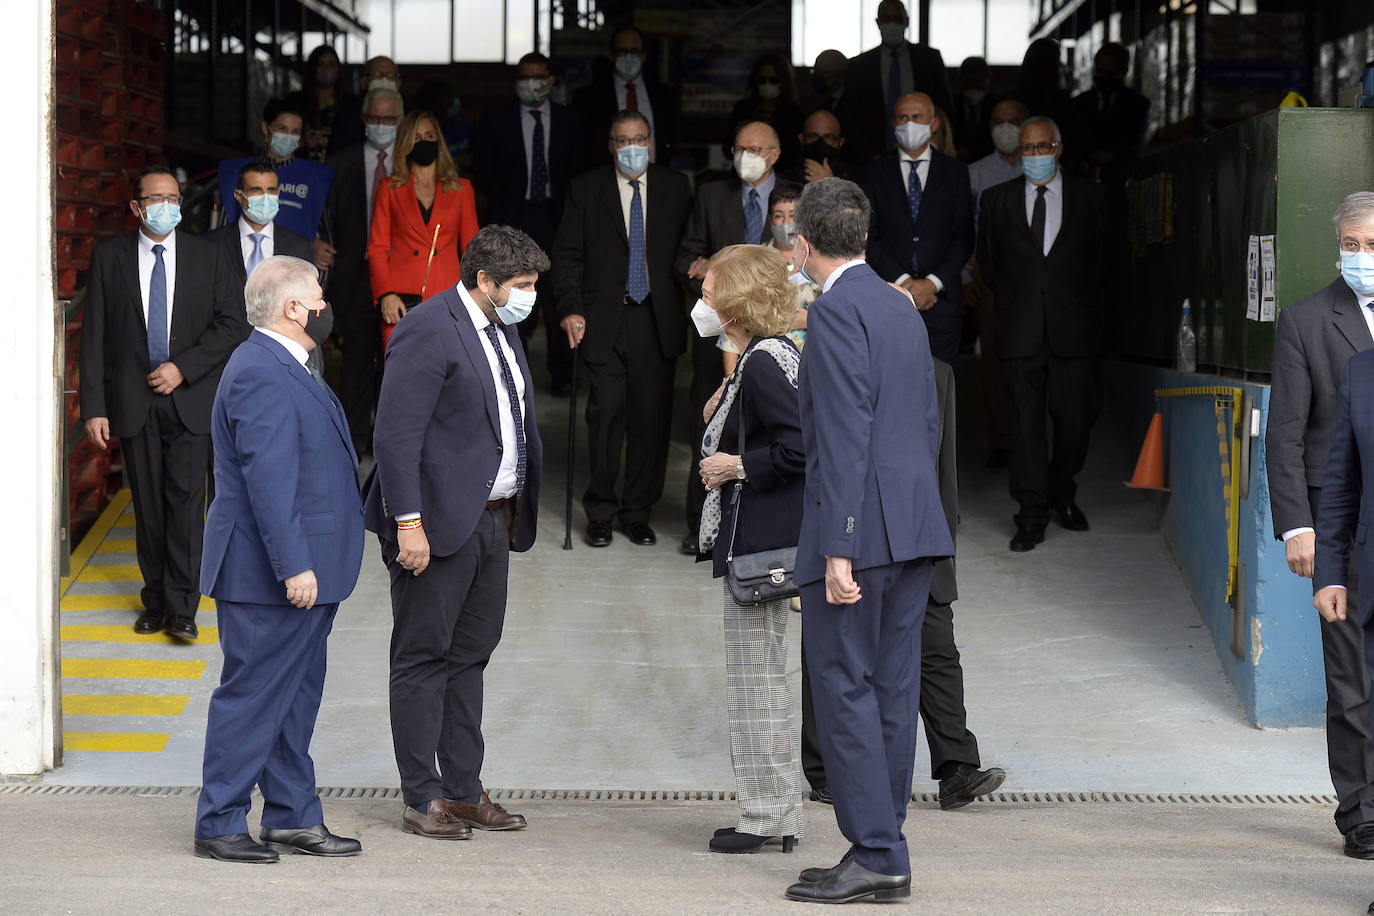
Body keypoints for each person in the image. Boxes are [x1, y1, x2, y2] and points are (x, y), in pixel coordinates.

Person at [784, 177, 952, 904]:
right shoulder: (897, 303)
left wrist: (840, 545)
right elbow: (924, 421)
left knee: (844, 686)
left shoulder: (835, 312)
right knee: (891, 686)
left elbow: (845, 435)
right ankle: (884, 840)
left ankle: (878, 849)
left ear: (804, 242)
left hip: (862, 530)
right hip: (914, 524)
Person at [362, 226, 549, 840]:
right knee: (422, 657)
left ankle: (464, 790)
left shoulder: (502, 326)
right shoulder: (427, 327)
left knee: (470, 658)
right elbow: (395, 437)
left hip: (493, 520)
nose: (529, 297)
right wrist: (408, 523)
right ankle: (423, 796)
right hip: (436, 525)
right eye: (521, 286)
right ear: (484, 281)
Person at [193, 255, 363, 864]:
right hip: (269, 576)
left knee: (293, 699)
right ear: (294, 308)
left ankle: (291, 816)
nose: (325, 305)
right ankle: (219, 821)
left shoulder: (292, 362)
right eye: (318, 296)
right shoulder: (261, 371)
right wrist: (294, 565)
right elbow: (269, 481)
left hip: (301, 569)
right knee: (254, 697)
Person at [800, 356, 1005, 812]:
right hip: (850, 536)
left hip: (917, 538)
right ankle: (825, 772)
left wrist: (943, 546)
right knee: (835, 650)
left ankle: (957, 769)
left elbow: (943, 466)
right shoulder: (836, 363)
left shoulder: (937, 372)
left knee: (937, 650)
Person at [79, 167, 247, 640]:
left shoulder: (206, 256)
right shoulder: (109, 257)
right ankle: (154, 599)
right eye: (156, 199)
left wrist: (184, 367)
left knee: (187, 503)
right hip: (132, 401)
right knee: (148, 506)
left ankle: (183, 605)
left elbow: (232, 324)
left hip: (189, 399)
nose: (166, 207)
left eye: (173, 198)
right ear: (136, 207)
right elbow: (94, 337)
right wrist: (95, 406)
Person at [1268, 191, 1374, 859]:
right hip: (1342, 529)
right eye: (1352, 245)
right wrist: (1297, 528)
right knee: (1351, 677)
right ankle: (1362, 811)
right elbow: (1285, 435)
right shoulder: (1306, 321)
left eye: (1372, 245)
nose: (1361, 258)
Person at [692, 244, 806, 853]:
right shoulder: (773, 353)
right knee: (766, 682)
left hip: (758, 549)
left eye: (710, 292)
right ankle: (780, 813)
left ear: (735, 300)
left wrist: (736, 464)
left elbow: (800, 449)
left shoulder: (762, 361)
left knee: (754, 685)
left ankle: (764, 818)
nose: (703, 302)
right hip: (766, 546)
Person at [552, 110, 693, 548]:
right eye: (622, 140)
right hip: (605, 320)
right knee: (606, 416)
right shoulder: (586, 188)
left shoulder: (675, 187)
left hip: (656, 318)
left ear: (650, 142)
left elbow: (688, 252)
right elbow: (567, 255)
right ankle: (601, 511)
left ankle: (637, 511)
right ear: (611, 145)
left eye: (640, 138)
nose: (632, 147)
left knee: (650, 422)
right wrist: (570, 309)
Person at [976, 116, 1102, 553]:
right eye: (1027, 149)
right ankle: (1031, 512)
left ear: (1058, 148)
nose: (1033, 155)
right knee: (1025, 425)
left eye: (1041, 147)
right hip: (1020, 329)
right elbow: (988, 266)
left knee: (1075, 420)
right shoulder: (996, 200)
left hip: (1074, 329)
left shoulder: (1090, 197)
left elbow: (1106, 263)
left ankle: (1062, 492)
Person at [675, 120, 781, 555]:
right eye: (739, 148)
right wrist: (698, 268)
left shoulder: (794, 198)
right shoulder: (712, 194)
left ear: (774, 154)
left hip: (774, 328)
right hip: (721, 333)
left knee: (769, 427)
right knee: (712, 423)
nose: (745, 156)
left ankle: (759, 523)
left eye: (755, 149)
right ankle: (701, 524)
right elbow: (687, 252)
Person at [474, 51, 586, 394]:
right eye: (524, 77)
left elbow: (579, 170)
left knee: (556, 294)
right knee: (510, 291)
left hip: (558, 216)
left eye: (538, 77)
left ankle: (562, 373)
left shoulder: (571, 120)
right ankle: (511, 367)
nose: (531, 83)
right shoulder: (496, 118)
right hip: (512, 217)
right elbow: (483, 170)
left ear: (551, 81)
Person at [862, 92, 974, 366]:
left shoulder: (956, 172)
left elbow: (964, 237)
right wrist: (904, 284)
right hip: (888, 298)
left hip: (942, 302)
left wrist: (931, 284)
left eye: (917, 117)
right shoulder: (874, 173)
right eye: (903, 117)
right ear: (893, 123)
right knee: (890, 388)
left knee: (939, 391)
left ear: (933, 123)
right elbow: (867, 237)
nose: (909, 124)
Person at [323, 86, 403, 453]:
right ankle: (353, 444)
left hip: (399, 280)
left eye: (389, 119)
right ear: (364, 119)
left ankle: (390, 443)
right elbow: (326, 220)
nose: (382, 125)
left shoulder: (408, 163)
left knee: (397, 365)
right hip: (353, 278)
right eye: (375, 118)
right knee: (355, 364)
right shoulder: (340, 163)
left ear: (401, 122)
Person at [368, 109, 480, 349]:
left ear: (439, 140)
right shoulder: (389, 188)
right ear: (406, 143)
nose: (424, 142)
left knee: (450, 379)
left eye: (430, 136)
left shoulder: (461, 189)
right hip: (399, 301)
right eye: (416, 138)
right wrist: (385, 294)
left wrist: (475, 298)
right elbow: (377, 249)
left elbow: (473, 251)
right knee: (403, 379)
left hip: (449, 299)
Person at [209, 162, 324, 374]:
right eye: (256, 190)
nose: (265, 197)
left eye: (271, 190)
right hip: (221, 362)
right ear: (238, 195)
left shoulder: (298, 246)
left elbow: (307, 306)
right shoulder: (211, 245)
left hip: (281, 361)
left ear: (279, 194)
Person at [964, 98, 1029, 469]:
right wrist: (964, 277)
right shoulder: (974, 173)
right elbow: (964, 231)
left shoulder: (1043, 167)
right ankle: (1001, 439)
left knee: (1031, 360)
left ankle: (1029, 438)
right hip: (988, 277)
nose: (1006, 128)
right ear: (988, 127)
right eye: (999, 121)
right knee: (993, 360)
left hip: (1033, 282)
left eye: (1014, 120)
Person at [217, 99, 333, 268]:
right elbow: (222, 229)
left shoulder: (316, 175)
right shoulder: (238, 171)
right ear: (266, 128)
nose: (288, 136)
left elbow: (326, 240)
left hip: (295, 273)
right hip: (238, 269)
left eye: (295, 131)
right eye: (282, 129)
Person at [839, 0, 954, 164]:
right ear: (878, 22)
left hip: (925, 153)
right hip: (872, 157)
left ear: (906, 21)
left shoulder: (929, 59)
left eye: (897, 18)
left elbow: (944, 106)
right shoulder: (859, 65)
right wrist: (868, 154)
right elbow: (851, 116)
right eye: (887, 18)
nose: (892, 23)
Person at [718, 182, 814, 375]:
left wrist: (811, 319)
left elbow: (840, 317)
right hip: (763, 369)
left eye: (793, 215)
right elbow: (732, 323)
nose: (786, 222)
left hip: (812, 371)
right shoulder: (753, 263)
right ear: (770, 219)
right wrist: (730, 382)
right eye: (779, 215)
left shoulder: (819, 262)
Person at [573, 26, 679, 166]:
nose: (628, 56)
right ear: (612, 55)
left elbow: (670, 141)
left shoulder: (664, 96)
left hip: (655, 180)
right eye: (622, 51)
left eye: (634, 51)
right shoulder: (587, 98)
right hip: (606, 182)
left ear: (644, 55)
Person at [1072, 42, 1150, 176]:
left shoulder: (1137, 104)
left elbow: (1135, 142)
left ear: (1123, 71)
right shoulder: (1079, 104)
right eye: (1101, 71)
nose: (1104, 78)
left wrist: (1114, 156)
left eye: (1111, 73)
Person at [1015, 38, 1090, 173]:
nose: (1063, 66)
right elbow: (1079, 140)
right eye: (1059, 61)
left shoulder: (1015, 97)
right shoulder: (1061, 101)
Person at [729, 54, 805, 171]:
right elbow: (727, 148)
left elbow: (794, 153)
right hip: (743, 174)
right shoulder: (743, 108)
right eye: (761, 80)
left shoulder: (794, 113)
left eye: (773, 80)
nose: (767, 84)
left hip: (781, 176)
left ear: (784, 82)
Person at [286, 46, 354, 157]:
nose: (326, 69)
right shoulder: (294, 102)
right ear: (312, 68)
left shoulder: (352, 105)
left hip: (340, 169)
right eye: (320, 64)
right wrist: (303, 141)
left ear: (338, 69)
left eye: (331, 64)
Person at [328, 56, 401, 153]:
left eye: (391, 75)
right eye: (377, 75)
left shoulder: (411, 117)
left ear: (399, 83)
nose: (384, 80)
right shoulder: (346, 117)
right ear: (363, 82)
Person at [779, 109, 850, 185]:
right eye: (813, 136)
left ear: (840, 142)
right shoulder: (784, 180)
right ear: (801, 139)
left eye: (828, 137)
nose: (820, 143)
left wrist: (830, 185)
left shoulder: (858, 179)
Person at [951, 56, 997, 162]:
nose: (974, 88)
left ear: (988, 81)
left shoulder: (997, 105)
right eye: (969, 84)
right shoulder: (952, 104)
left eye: (978, 85)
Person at [807, 49, 848, 115]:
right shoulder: (809, 102)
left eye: (823, 73)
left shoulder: (856, 104)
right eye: (815, 71)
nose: (817, 76)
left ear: (839, 75)